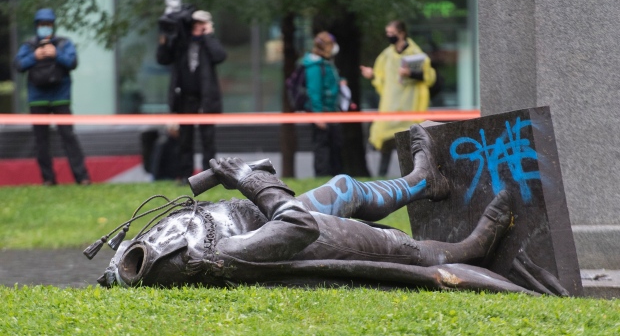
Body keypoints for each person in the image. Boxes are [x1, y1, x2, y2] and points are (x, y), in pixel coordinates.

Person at [91, 124, 567, 295]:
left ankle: (423, 182)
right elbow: (295, 225)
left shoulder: (151, 254)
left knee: (344, 186)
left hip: (273, 213)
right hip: (301, 229)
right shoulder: (217, 255)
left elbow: (115, 269)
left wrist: (252, 182)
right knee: (404, 250)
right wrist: (254, 182)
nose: (151, 241)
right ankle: (475, 247)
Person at [13, 8, 91, 186]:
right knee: (41, 141)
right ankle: (48, 179)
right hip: (37, 98)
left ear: (53, 26)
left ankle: (82, 178)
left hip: (61, 97)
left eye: (48, 25)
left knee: (68, 137)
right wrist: (35, 56)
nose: (45, 28)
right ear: (36, 26)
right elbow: (18, 65)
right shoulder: (29, 45)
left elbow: (72, 62)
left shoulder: (64, 44)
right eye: (42, 25)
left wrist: (56, 54)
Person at [156, 9, 227, 184]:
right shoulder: (182, 43)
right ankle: (185, 176)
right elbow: (163, 58)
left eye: (201, 25)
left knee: (208, 141)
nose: (197, 29)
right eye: (194, 25)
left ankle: (209, 177)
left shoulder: (209, 43)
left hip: (206, 99)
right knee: (185, 140)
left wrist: (208, 35)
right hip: (185, 99)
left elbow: (220, 56)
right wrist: (165, 37)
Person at [360, 20, 436, 177]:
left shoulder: (415, 54)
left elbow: (428, 77)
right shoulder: (387, 55)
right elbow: (381, 76)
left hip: (409, 108)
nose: (389, 36)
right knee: (385, 144)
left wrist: (411, 74)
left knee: (409, 146)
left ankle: (413, 176)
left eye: (391, 33)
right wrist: (372, 74)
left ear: (401, 33)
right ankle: (381, 178)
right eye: (387, 33)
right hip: (390, 108)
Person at [302, 31, 343, 177]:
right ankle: (322, 180)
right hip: (323, 114)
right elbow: (314, 92)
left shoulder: (326, 63)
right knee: (322, 151)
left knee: (335, 149)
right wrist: (318, 115)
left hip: (332, 112)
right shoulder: (314, 66)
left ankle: (337, 180)